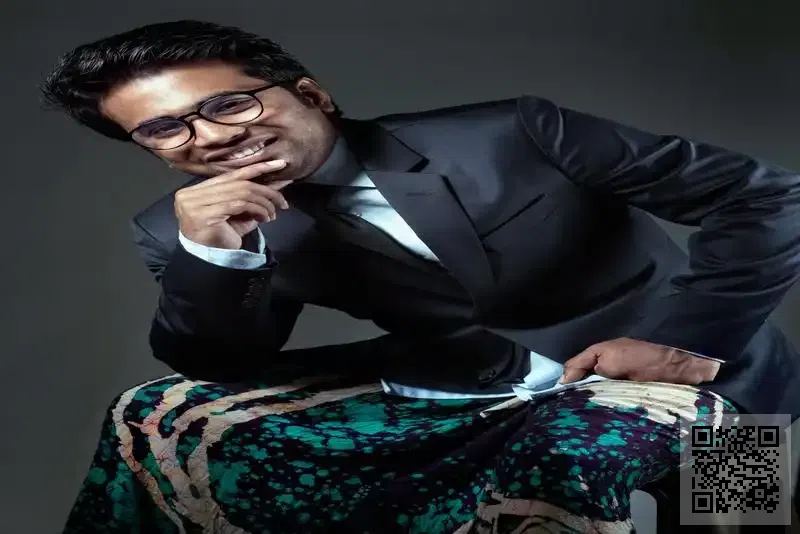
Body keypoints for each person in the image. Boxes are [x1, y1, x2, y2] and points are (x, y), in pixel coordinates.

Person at [43, 20, 799, 534]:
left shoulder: (511, 133)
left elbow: (767, 197)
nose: (208, 137)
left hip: (698, 370)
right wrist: (216, 254)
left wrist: (687, 340)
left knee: (743, 521)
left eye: (229, 105)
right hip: (464, 390)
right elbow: (221, 362)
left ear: (311, 95)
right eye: (164, 128)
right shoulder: (178, 227)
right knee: (156, 412)